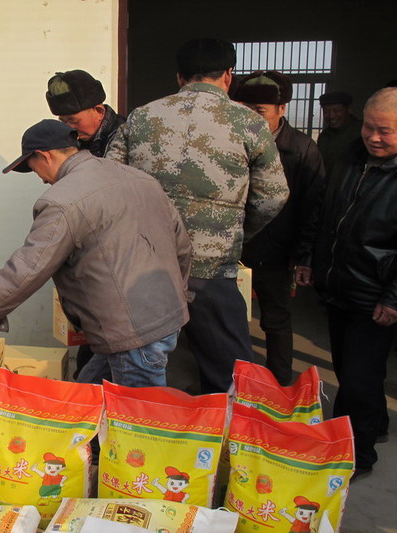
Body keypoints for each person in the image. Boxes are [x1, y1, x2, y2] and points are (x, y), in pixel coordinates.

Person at [0, 119, 191, 388]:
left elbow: (30, 266)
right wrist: (179, 295)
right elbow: (181, 245)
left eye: (33, 168)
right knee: (87, 393)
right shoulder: (139, 178)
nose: (41, 178)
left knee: (136, 411)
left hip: (132, 331)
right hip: (162, 315)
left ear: (44, 156)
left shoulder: (63, 200)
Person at [105, 38, 289, 393]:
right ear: (228, 75)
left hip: (146, 265)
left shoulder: (141, 117)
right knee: (231, 374)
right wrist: (233, 233)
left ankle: (144, 424)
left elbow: (110, 186)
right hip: (212, 269)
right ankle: (225, 425)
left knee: (138, 369)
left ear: (180, 76)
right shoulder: (249, 123)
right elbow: (274, 195)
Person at [295, 87, 397, 480]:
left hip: (377, 295)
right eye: (369, 127)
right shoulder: (350, 156)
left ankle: (355, 453)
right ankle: (376, 423)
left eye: (384, 131)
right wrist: (307, 258)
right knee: (354, 369)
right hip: (339, 285)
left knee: (356, 379)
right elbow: (321, 211)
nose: (373, 137)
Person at [233, 71, 326, 386]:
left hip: (276, 249)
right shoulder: (230, 140)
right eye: (245, 109)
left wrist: (303, 255)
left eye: (259, 111)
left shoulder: (301, 149)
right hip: (233, 245)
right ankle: (231, 383)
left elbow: (313, 207)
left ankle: (279, 385)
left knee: (275, 320)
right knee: (228, 318)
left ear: (282, 109)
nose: (250, 117)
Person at [45, 69, 127, 380]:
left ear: (98, 109)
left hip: (120, 260)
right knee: (91, 344)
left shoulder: (129, 137)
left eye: (73, 120)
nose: (70, 128)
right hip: (89, 260)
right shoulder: (74, 141)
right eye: (63, 121)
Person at [46, 69, 126, 158]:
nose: (68, 129)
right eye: (63, 122)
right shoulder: (70, 141)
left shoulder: (127, 137)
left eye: (73, 121)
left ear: (99, 111)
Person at [316, 91, 361, 175]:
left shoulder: (361, 133)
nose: (331, 116)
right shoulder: (323, 136)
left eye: (337, 110)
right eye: (326, 111)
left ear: (349, 109)